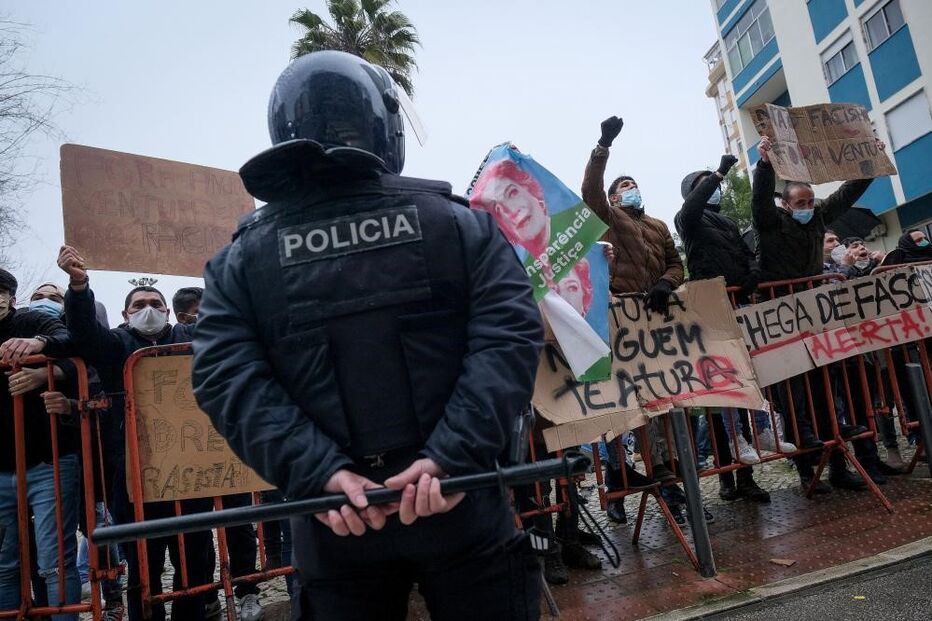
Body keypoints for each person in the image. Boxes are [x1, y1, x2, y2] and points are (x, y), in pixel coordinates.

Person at [191, 51, 544, 620]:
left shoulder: (241, 260)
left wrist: (319, 473)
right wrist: (449, 458)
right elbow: (509, 338)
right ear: (383, 124)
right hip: (459, 500)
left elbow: (224, 379)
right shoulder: (456, 224)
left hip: (334, 519)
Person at [55, 251, 212, 621]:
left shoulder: (190, 338)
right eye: (139, 305)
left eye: (156, 303)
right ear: (126, 315)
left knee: (195, 561)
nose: (149, 309)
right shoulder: (115, 345)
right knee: (144, 567)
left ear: (168, 312)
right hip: (133, 475)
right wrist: (79, 287)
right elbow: (82, 334)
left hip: (191, 473)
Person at [753, 135, 885, 493]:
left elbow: (846, 194)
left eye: (811, 201)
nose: (808, 206)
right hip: (781, 312)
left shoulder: (818, 218)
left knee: (827, 383)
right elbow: (759, 201)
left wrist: (869, 163)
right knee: (795, 391)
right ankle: (806, 469)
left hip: (813, 312)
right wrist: (764, 165)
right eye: (801, 202)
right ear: (785, 203)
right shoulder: (771, 223)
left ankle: (839, 464)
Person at [582, 114, 686, 518]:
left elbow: (676, 264)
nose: (631, 190)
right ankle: (617, 480)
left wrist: (665, 283)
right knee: (620, 403)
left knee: (660, 400)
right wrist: (602, 146)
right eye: (623, 187)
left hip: (653, 322)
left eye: (633, 184)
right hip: (619, 322)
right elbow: (590, 188)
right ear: (612, 198)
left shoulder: (659, 226)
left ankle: (668, 481)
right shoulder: (609, 216)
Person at [675, 157, 794, 504]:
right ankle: (729, 466)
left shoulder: (726, 222)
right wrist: (717, 173)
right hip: (710, 307)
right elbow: (695, 205)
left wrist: (752, 273)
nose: (714, 188)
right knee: (724, 384)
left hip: (736, 305)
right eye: (704, 184)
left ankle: (753, 453)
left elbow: (746, 252)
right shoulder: (688, 219)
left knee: (747, 374)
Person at [0, 268, 81, 621]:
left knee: (54, 562)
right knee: (4, 563)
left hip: (48, 461)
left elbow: (73, 343)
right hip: (0, 469)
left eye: (1, 291)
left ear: (11, 299)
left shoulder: (32, 320)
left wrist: (40, 350)